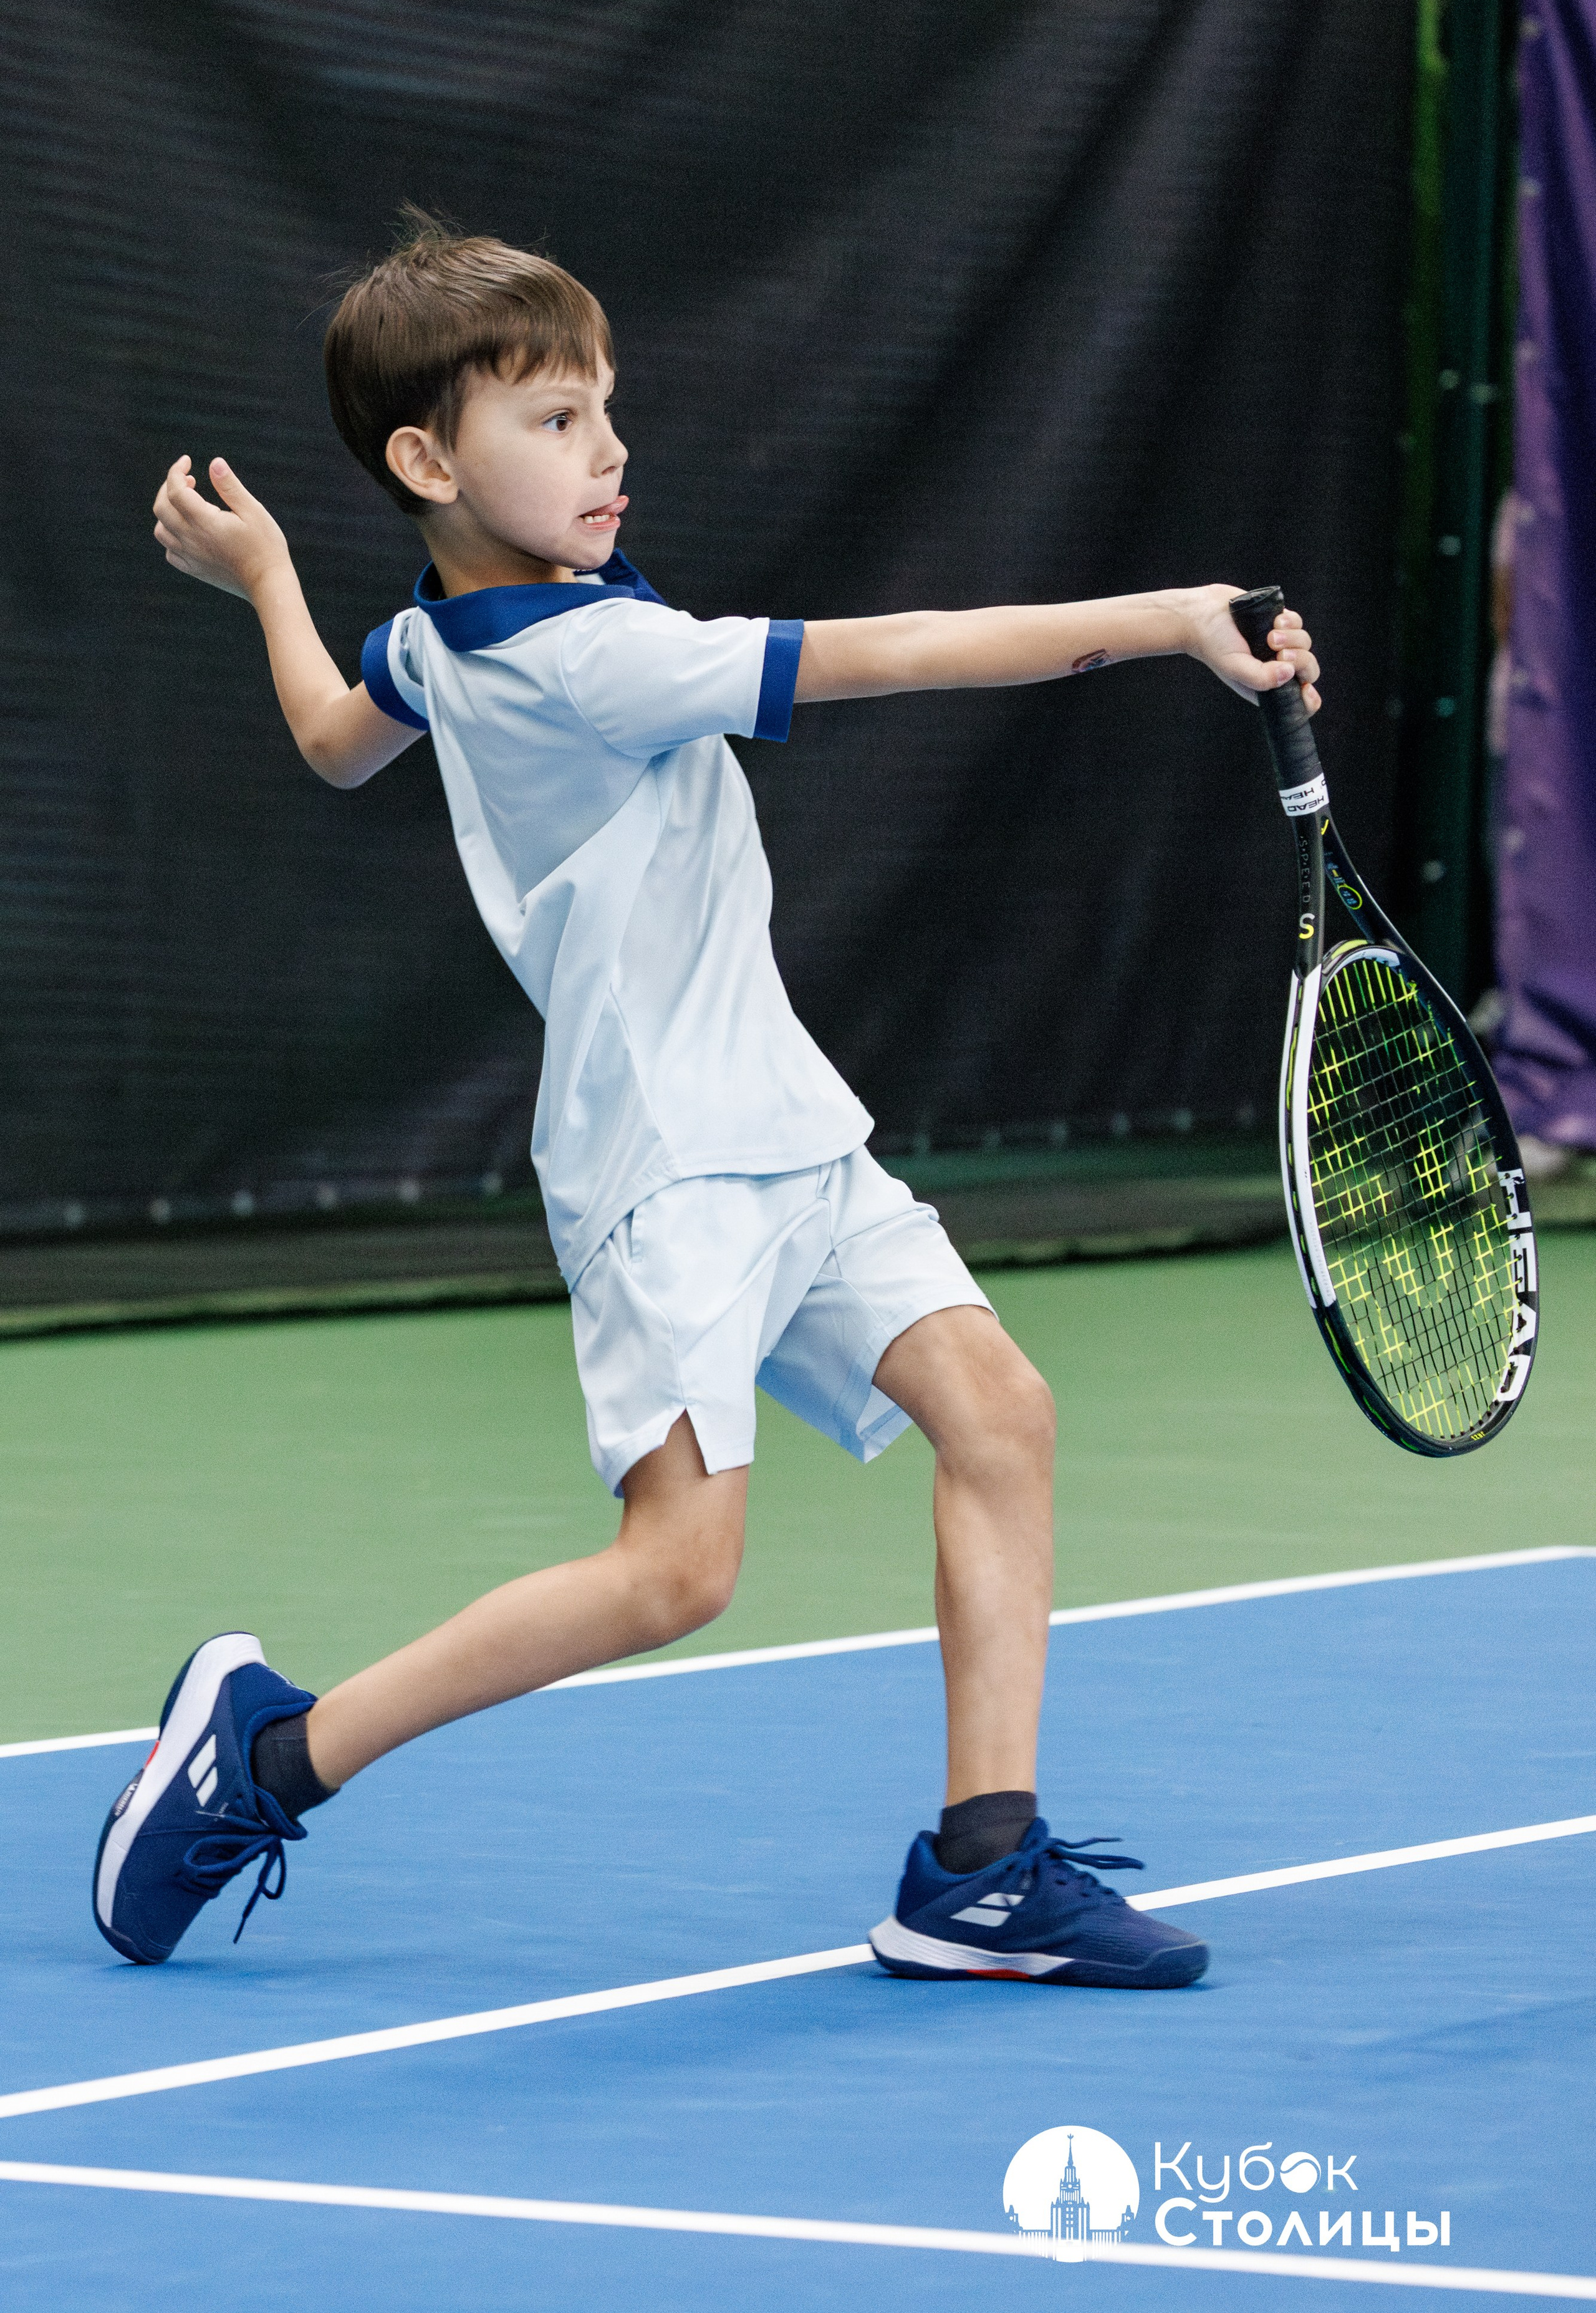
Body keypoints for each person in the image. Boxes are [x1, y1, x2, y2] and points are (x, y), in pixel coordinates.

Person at [95, 217, 1319, 1986]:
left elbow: (328, 732)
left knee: (1000, 1415)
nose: (608, 452)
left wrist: (274, 579)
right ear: (429, 461)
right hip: (668, 1167)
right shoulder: (600, 663)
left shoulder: (443, 645)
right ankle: (267, 1760)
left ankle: (984, 1865)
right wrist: (1175, 624)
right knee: (678, 1576)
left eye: (609, 412)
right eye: (558, 421)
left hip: (792, 1131)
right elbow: (904, 653)